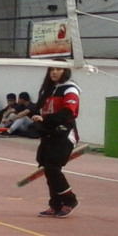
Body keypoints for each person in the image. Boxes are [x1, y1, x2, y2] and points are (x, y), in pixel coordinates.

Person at [32, 66, 80, 217]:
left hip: (64, 134)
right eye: (51, 69)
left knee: (53, 168)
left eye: (58, 69)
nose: (54, 72)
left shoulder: (70, 89)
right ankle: (55, 204)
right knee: (47, 169)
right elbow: (38, 109)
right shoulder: (48, 89)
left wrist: (46, 119)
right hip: (48, 134)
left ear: (65, 71)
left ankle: (70, 200)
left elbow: (68, 111)